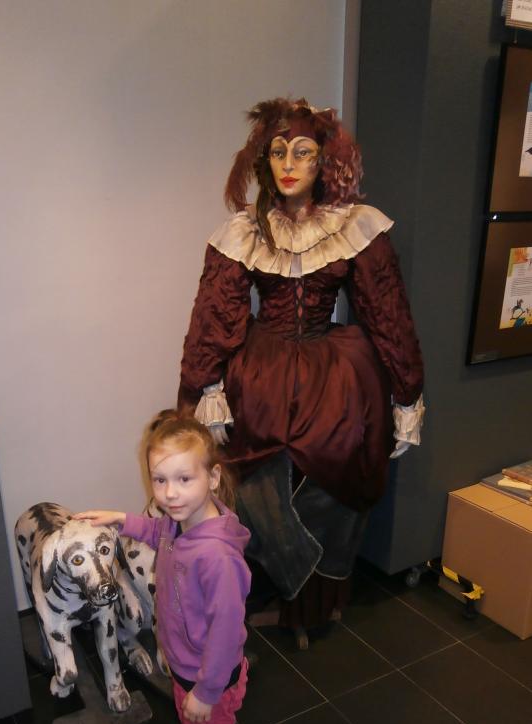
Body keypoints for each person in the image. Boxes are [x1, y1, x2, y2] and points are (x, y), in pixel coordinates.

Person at [177, 97, 425, 649]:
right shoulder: (245, 230)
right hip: (260, 373)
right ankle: (277, 587)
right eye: (278, 152)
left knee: (334, 475)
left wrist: (407, 395)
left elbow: (386, 313)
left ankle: (314, 602)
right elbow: (215, 314)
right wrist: (207, 385)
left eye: (303, 152)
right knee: (258, 482)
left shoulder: (354, 225)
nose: (289, 164)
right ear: (264, 160)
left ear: (324, 160)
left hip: (334, 376)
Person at [74, 413, 253, 724]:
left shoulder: (217, 558)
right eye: (160, 480)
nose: (170, 493)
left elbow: (226, 635)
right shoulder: (183, 522)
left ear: (213, 478)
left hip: (209, 681)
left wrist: (206, 692)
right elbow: (158, 531)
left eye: (184, 479)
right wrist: (120, 519)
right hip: (187, 667)